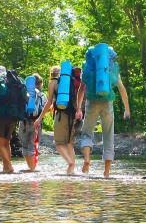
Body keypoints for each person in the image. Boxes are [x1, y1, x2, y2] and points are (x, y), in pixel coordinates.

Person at [77, 44, 131, 178]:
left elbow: (81, 89)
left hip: (91, 102)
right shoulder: (111, 67)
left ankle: (87, 159)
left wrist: (78, 107)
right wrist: (127, 109)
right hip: (107, 102)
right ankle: (106, 172)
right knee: (108, 135)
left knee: (87, 133)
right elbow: (122, 89)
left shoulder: (88, 65)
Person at [34, 65, 83, 175]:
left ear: (52, 74)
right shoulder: (71, 81)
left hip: (61, 115)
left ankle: (70, 163)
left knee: (59, 144)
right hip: (73, 115)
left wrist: (39, 118)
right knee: (69, 143)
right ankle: (72, 171)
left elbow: (49, 102)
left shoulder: (53, 82)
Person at [0, 65, 27, 174]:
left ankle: (9, 166)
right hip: (14, 114)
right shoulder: (15, 79)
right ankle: (5, 167)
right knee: (6, 142)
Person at [18, 73, 47, 171]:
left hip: (24, 122)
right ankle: (32, 169)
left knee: (25, 145)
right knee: (32, 146)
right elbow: (45, 108)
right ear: (40, 83)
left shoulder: (25, 92)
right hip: (37, 123)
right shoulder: (42, 95)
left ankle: (30, 168)